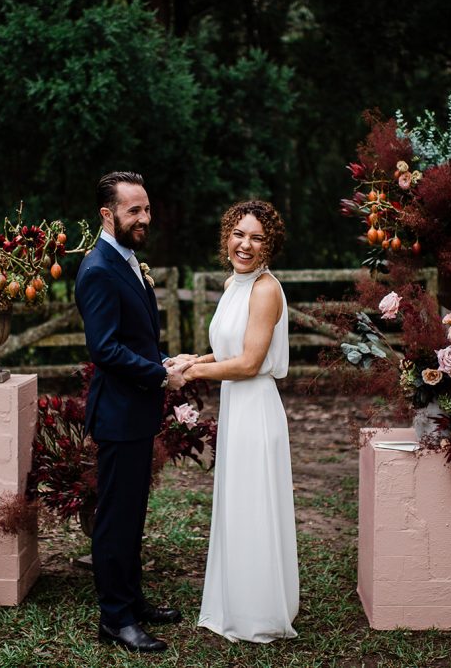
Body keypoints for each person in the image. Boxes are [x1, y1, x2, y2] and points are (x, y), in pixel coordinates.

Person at [73, 171, 190, 653]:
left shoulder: (126, 258)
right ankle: (114, 618)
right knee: (115, 520)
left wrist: (159, 360)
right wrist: (162, 376)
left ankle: (132, 600)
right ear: (108, 214)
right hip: (119, 416)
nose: (144, 218)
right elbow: (104, 350)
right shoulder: (98, 268)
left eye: (146, 208)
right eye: (133, 210)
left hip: (135, 411)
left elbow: (133, 340)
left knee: (132, 513)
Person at [178, 200, 299, 643]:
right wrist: (196, 358)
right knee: (236, 504)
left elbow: (249, 364)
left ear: (270, 246)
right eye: (239, 234)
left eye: (257, 238)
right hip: (235, 405)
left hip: (255, 408)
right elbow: (231, 350)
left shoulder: (266, 289)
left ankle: (260, 612)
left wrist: (189, 374)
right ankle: (236, 600)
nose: (245, 245)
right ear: (227, 236)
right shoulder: (234, 283)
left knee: (254, 505)